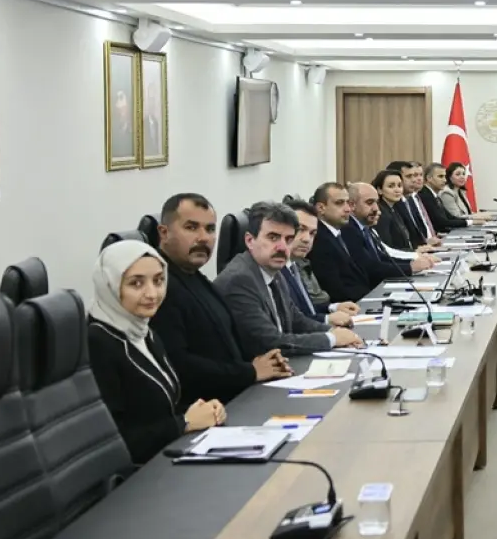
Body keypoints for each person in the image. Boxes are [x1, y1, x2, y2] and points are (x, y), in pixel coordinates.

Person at [87, 240, 226, 464]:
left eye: (159, 281)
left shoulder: (143, 330)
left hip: (166, 455)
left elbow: (163, 406)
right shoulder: (98, 343)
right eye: (136, 283)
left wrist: (205, 409)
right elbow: (116, 441)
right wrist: (185, 423)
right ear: (110, 285)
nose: (152, 293)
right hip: (139, 474)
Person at [150, 193, 291, 405]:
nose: (203, 238)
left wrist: (261, 362)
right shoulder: (159, 288)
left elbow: (223, 343)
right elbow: (179, 365)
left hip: (234, 398)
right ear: (164, 233)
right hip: (206, 410)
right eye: (191, 227)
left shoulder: (194, 276)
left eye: (210, 229)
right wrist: (250, 371)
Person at [215, 201, 364, 357]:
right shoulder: (239, 279)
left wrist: (335, 332)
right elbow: (269, 342)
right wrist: (331, 339)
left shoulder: (273, 270)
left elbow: (296, 320)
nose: (282, 247)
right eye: (273, 237)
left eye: (288, 239)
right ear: (250, 240)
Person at [283, 198, 359, 322]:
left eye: (312, 233)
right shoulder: (277, 272)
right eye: (301, 229)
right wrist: (327, 319)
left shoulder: (294, 266)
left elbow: (306, 309)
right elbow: (293, 321)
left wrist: (333, 307)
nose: (307, 239)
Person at [420, 162, 475, 232]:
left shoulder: (434, 195)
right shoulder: (425, 195)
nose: (445, 180)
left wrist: (471, 221)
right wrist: (470, 222)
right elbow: (442, 222)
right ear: (429, 178)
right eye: (440, 176)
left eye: (444, 176)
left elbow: (450, 217)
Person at [371, 168, 414, 251]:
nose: (397, 190)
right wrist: (414, 252)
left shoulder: (395, 208)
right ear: (379, 190)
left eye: (399, 185)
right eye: (391, 186)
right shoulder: (381, 213)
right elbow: (388, 248)